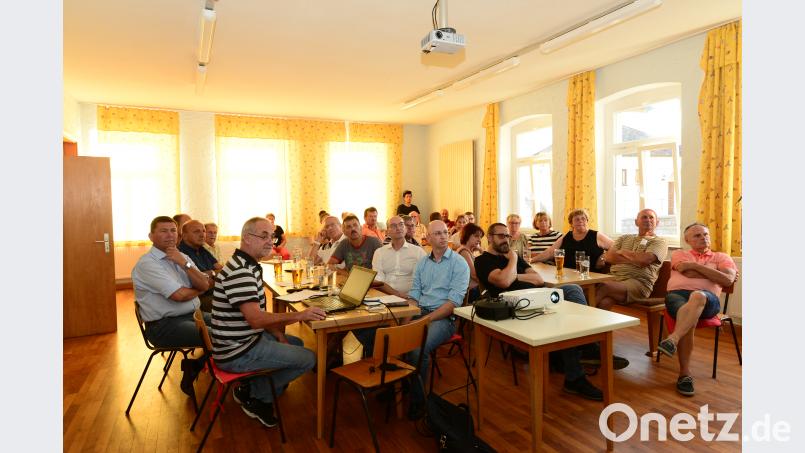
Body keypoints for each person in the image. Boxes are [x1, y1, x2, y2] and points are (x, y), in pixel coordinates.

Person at [474, 223, 626, 400]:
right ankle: (577, 372)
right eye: (501, 236)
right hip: (517, 308)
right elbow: (503, 282)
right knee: (565, 319)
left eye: (507, 236)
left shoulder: (513, 258)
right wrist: (513, 260)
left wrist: (511, 273)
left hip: (539, 298)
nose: (506, 240)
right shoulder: (483, 260)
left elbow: (538, 280)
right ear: (489, 238)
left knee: (573, 289)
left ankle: (587, 347)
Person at [211, 216, 325, 428]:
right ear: (247, 238)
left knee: (297, 343)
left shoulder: (245, 264)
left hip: (240, 341)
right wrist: (299, 315)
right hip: (237, 352)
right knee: (309, 358)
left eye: (271, 236)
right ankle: (255, 394)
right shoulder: (241, 272)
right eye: (263, 236)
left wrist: (279, 334)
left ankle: (254, 385)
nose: (270, 242)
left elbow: (257, 317)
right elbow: (256, 319)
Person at [132, 216, 211, 398]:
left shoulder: (182, 257)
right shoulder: (147, 264)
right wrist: (199, 289)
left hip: (193, 315)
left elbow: (204, 284)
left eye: (173, 230)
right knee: (220, 336)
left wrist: (184, 263)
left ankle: (195, 365)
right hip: (164, 326)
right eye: (163, 231)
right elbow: (179, 296)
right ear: (151, 236)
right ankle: (203, 368)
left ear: (178, 235)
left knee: (230, 325)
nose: (170, 235)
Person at [657, 223, 737, 396]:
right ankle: (684, 375)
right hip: (677, 296)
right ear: (687, 240)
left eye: (705, 234)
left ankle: (673, 340)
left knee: (698, 297)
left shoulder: (722, 256)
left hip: (709, 299)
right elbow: (686, 271)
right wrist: (714, 273)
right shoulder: (680, 254)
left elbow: (728, 280)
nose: (703, 238)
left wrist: (696, 267)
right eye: (697, 235)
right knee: (689, 314)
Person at [406, 220, 469, 419]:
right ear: (428, 238)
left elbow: (453, 303)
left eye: (445, 232)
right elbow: (414, 295)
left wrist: (424, 320)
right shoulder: (422, 263)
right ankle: (398, 388)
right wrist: (406, 321)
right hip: (420, 311)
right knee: (391, 337)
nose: (443, 236)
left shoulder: (459, 263)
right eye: (438, 233)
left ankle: (418, 402)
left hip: (444, 318)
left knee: (417, 349)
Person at [596, 209, 668, 311]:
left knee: (604, 287)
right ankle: (595, 321)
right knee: (604, 300)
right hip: (615, 279)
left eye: (651, 217)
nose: (648, 220)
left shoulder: (660, 242)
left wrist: (624, 252)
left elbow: (645, 260)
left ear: (657, 222)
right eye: (644, 217)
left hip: (638, 283)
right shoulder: (624, 238)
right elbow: (609, 257)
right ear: (636, 222)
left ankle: (581, 317)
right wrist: (635, 259)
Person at [531, 209, 613, 271]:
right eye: (577, 219)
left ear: (587, 221)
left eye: (583, 218)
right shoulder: (567, 236)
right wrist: (531, 260)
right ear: (571, 223)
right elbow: (550, 252)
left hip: (590, 275)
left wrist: (604, 257)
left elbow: (616, 247)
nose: (580, 221)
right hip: (568, 275)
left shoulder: (596, 235)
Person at [371, 216, 427, 298]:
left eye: (401, 224)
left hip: (411, 298)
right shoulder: (379, 253)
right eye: (393, 226)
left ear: (405, 229)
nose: (398, 228)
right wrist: (397, 294)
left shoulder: (418, 252)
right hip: (384, 297)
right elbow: (378, 281)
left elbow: (426, 279)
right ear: (387, 231)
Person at [178, 220, 221, 312]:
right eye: (196, 231)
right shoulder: (180, 253)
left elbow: (221, 269)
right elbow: (198, 280)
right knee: (233, 303)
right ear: (184, 236)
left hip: (212, 290)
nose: (202, 235)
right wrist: (211, 275)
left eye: (204, 231)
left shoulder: (201, 248)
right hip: (197, 298)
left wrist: (211, 273)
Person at [455, 223, 485, 302]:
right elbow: (474, 275)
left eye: (480, 237)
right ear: (467, 235)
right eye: (476, 236)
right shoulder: (464, 252)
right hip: (470, 292)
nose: (479, 240)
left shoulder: (468, 251)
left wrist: (481, 250)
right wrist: (488, 282)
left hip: (474, 289)